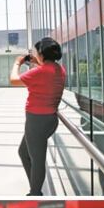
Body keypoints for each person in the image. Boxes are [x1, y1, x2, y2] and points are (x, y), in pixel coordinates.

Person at [9, 37, 65, 196]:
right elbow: (47, 71)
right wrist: (38, 62)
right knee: (23, 152)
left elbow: (14, 80)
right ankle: (34, 187)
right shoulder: (59, 70)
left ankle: (35, 193)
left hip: (37, 120)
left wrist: (18, 63)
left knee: (37, 159)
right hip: (49, 120)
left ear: (41, 53)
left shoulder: (39, 72)